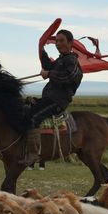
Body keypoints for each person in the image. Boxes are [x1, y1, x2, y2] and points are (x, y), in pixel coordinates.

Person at [19, 29, 83, 166]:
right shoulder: (61, 60)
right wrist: (42, 50)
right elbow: (48, 66)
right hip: (49, 99)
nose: (58, 44)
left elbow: (68, 76)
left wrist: (49, 74)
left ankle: (33, 154)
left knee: (33, 117)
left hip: (57, 101)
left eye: (61, 41)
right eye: (56, 41)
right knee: (22, 106)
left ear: (70, 43)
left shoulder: (72, 61)